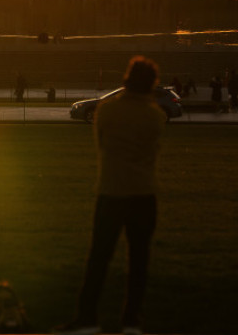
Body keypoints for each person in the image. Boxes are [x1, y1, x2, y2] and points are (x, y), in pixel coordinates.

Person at [56, 56, 167, 335]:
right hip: (144, 194)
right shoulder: (155, 116)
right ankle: (131, 320)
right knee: (139, 260)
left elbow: (102, 147)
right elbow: (153, 150)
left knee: (99, 258)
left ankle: (88, 318)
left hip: (112, 191)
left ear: (126, 80)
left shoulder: (106, 111)